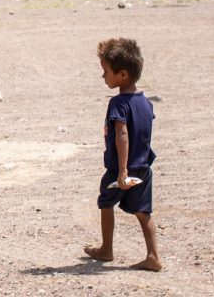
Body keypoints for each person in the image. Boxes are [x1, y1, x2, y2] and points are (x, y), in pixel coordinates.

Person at [84, 38, 163, 272]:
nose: (103, 76)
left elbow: (122, 134)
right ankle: (153, 256)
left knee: (106, 202)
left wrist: (122, 171)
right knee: (143, 211)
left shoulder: (118, 103)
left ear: (123, 75)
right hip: (143, 167)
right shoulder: (146, 103)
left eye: (106, 72)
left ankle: (106, 249)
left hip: (121, 169)